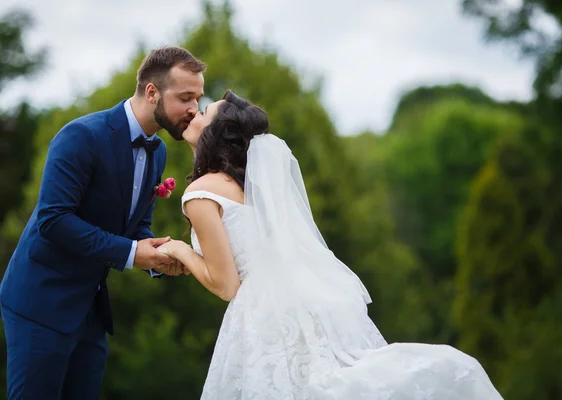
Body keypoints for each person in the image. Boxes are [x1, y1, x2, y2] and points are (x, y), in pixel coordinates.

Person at [157, 90, 504, 399]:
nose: (194, 113)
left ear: (217, 135)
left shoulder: (200, 192)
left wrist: (179, 249)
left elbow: (227, 284)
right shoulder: (252, 190)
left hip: (264, 314)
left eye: (204, 112)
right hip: (301, 302)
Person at [0, 46, 204, 399]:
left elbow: (136, 226)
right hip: (41, 302)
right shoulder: (81, 136)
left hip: (90, 311)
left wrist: (159, 257)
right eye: (185, 97)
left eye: (198, 99)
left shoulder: (160, 151)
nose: (194, 109)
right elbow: (53, 219)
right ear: (151, 92)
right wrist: (130, 253)